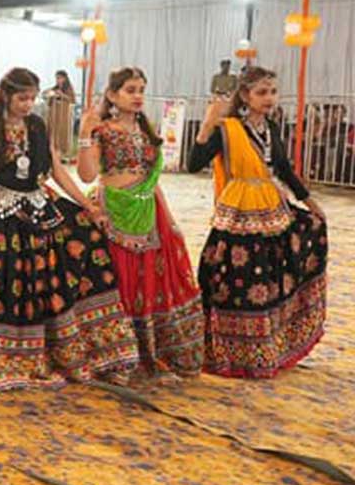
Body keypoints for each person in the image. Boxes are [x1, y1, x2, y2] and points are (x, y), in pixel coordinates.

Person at [0, 67, 138, 389]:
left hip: (38, 209)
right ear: (6, 96)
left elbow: (56, 170)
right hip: (2, 215)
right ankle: (3, 352)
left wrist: (87, 205)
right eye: (22, 98)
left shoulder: (36, 125)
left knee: (65, 258)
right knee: (5, 283)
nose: (28, 104)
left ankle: (57, 347)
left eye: (32, 98)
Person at [187, 66, 326, 378]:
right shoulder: (228, 129)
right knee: (237, 281)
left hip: (270, 209)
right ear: (245, 95)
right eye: (262, 92)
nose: (269, 98)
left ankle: (265, 349)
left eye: (273, 92)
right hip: (237, 214)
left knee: (268, 280)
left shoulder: (271, 128)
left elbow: (284, 169)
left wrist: (310, 203)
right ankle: (229, 351)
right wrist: (206, 127)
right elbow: (193, 164)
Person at [74, 67, 203, 378]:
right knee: (118, 281)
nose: (138, 96)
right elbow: (87, 175)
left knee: (148, 282)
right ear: (112, 95)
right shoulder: (103, 131)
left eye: (141, 90)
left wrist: (169, 220)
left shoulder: (147, 132)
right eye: (130, 90)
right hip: (112, 213)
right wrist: (84, 134)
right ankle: (114, 355)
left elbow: (153, 183)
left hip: (148, 214)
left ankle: (145, 353)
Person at [45, 70, 77, 163]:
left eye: (59, 78)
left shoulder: (69, 89)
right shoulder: (54, 88)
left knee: (62, 133)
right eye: (57, 78)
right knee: (53, 133)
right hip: (54, 115)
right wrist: (50, 95)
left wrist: (62, 95)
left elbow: (72, 100)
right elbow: (48, 100)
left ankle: (62, 154)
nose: (58, 80)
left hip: (63, 115)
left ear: (65, 79)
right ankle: (52, 152)